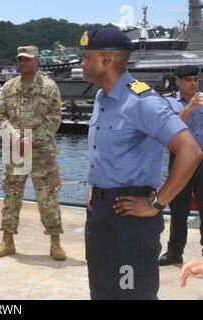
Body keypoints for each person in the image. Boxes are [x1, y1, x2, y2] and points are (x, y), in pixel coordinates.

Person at [81, 28, 203, 300]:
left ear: (105, 60)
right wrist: (99, 187)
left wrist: (157, 203)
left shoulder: (142, 101)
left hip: (130, 219)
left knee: (131, 292)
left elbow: (190, 151)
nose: (81, 63)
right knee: (102, 290)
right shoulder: (102, 97)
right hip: (100, 213)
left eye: (86, 57)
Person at [0, 46, 65, 261]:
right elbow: (1, 116)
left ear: (37, 61)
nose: (23, 63)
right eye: (20, 59)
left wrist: (32, 140)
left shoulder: (49, 87)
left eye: (28, 59)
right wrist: (17, 138)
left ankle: (55, 242)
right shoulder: (8, 87)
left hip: (42, 152)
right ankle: (7, 240)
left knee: (48, 197)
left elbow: (54, 117)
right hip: (17, 151)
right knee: (11, 196)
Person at [159, 65, 203, 266]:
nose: (193, 83)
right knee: (178, 209)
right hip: (181, 161)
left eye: (195, 79)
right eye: (188, 80)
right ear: (178, 81)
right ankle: (174, 252)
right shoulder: (169, 102)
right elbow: (170, 128)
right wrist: (189, 108)